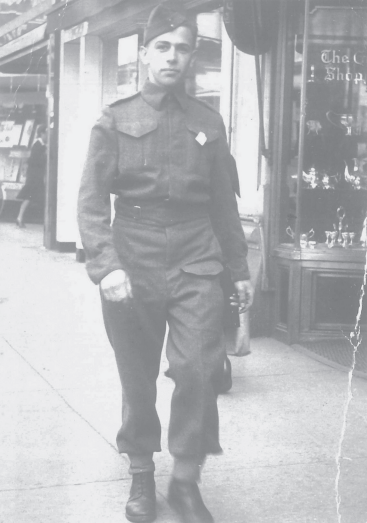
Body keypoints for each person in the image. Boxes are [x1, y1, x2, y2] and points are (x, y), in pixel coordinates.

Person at [78, 4, 254, 522]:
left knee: (200, 368)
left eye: (182, 48)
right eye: (163, 47)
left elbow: (224, 203)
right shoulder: (114, 119)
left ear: (192, 55)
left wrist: (239, 269)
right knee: (137, 377)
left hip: (197, 257)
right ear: (144, 53)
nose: (172, 57)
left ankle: (184, 479)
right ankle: (139, 475)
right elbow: (90, 201)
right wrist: (105, 266)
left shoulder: (208, 121)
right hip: (132, 258)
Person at [16, 124, 47, 228]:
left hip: (35, 176)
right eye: (47, 133)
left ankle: (20, 218)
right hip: (35, 176)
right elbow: (36, 161)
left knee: (30, 197)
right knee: (30, 197)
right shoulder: (38, 145)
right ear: (42, 133)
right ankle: (20, 218)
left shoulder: (40, 145)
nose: (48, 136)